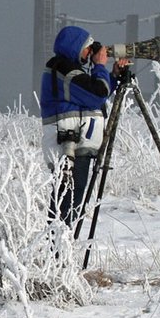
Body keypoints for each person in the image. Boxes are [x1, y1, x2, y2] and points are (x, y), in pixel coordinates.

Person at [39, 26, 129, 227]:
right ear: (76, 47)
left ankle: (60, 249)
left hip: (73, 147)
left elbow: (91, 95)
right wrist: (99, 66)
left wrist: (112, 76)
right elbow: (97, 95)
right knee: (68, 204)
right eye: (88, 49)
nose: (90, 53)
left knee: (70, 203)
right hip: (69, 149)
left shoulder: (64, 69)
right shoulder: (66, 72)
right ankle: (58, 251)